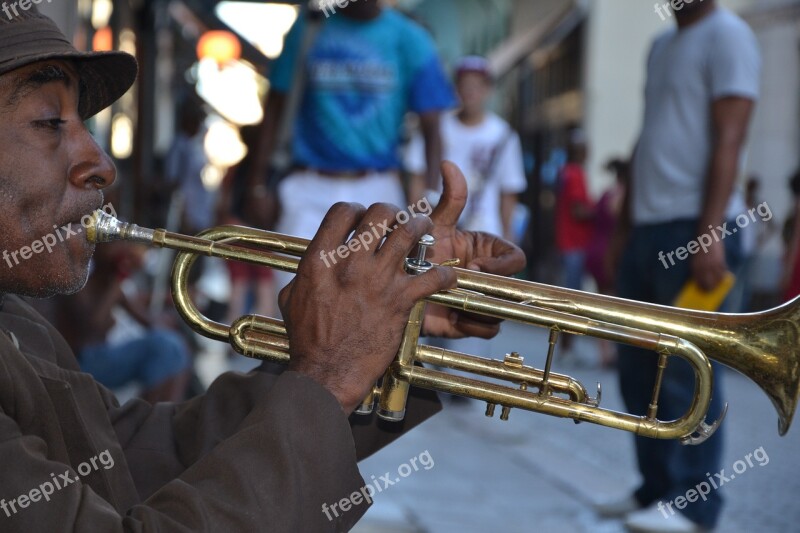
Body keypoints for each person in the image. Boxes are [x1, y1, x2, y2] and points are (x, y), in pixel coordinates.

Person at [0, 7, 524, 531]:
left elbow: (138, 454)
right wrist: (324, 377)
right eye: (50, 123)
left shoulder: (18, 324)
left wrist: (375, 341)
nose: (101, 163)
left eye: (82, 124)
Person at [604, 2, 761, 531]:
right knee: (636, 374)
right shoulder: (661, 46)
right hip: (650, 228)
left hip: (698, 229)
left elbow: (731, 136)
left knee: (689, 377)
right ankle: (656, 492)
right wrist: (624, 228)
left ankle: (695, 510)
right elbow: (647, 138)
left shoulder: (729, 35)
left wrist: (710, 231)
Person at [256, 0, 456, 290]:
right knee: (294, 292)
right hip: (308, 183)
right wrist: (258, 184)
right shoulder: (310, 26)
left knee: (371, 294)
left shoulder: (410, 38)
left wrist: (431, 197)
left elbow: (432, 128)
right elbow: (275, 107)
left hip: (377, 189)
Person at [405, 55, 527, 241]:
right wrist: (415, 226)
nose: (471, 92)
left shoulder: (504, 135)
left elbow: (508, 192)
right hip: (435, 233)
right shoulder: (436, 129)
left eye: (477, 86)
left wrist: (507, 238)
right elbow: (417, 177)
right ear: (456, 88)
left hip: (485, 234)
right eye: (465, 85)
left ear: (488, 90)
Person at [55, 241, 192, 403]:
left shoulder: (113, 288)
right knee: (163, 345)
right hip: (83, 363)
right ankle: (150, 416)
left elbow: (147, 321)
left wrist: (167, 322)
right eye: (111, 246)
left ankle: (163, 413)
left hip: (104, 357)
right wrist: (117, 283)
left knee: (175, 347)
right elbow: (94, 326)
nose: (118, 250)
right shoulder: (80, 286)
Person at [585, 158, 628, 367]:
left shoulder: (606, 193)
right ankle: (611, 352)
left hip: (596, 249)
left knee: (602, 303)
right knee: (614, 306)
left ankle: (604, 352)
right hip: (611, 254)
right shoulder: (624, 197)